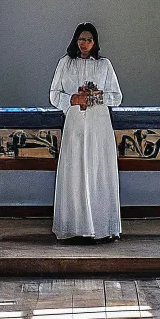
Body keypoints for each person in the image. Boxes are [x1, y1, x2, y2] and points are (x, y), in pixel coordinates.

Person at [49, 22, 123, 241]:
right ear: (75, 40)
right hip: (75, 124)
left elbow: (116, 97)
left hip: (99, 125)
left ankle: (101, 227)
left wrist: (96, 96)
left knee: (98, 170)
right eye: (81, 39)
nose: (85, 43)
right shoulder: (65, 63)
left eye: (89, 40)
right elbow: (54, 95)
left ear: (95, 42)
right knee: (75, 172)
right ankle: (74, 227)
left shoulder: (104, 65)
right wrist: (73, 98)